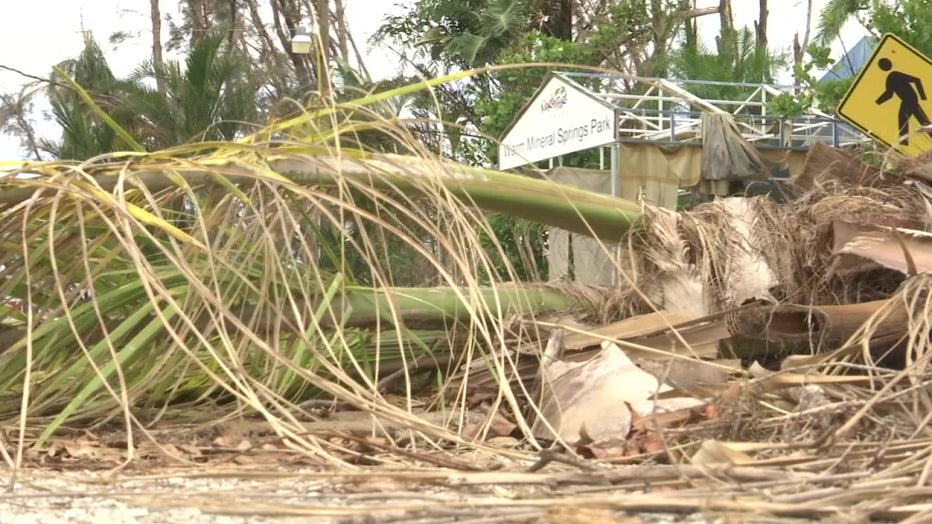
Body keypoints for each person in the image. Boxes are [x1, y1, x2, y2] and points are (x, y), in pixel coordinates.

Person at [875, 57, 931, 145]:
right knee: (921, 119)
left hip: (910, 99)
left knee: (904, 120)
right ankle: (904, 142)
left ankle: (904, 142)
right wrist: (877, 102)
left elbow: (916, 80)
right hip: (909, 100)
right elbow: (889, 94)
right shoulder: (890, 78)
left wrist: (923, 96)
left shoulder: (895, 75)